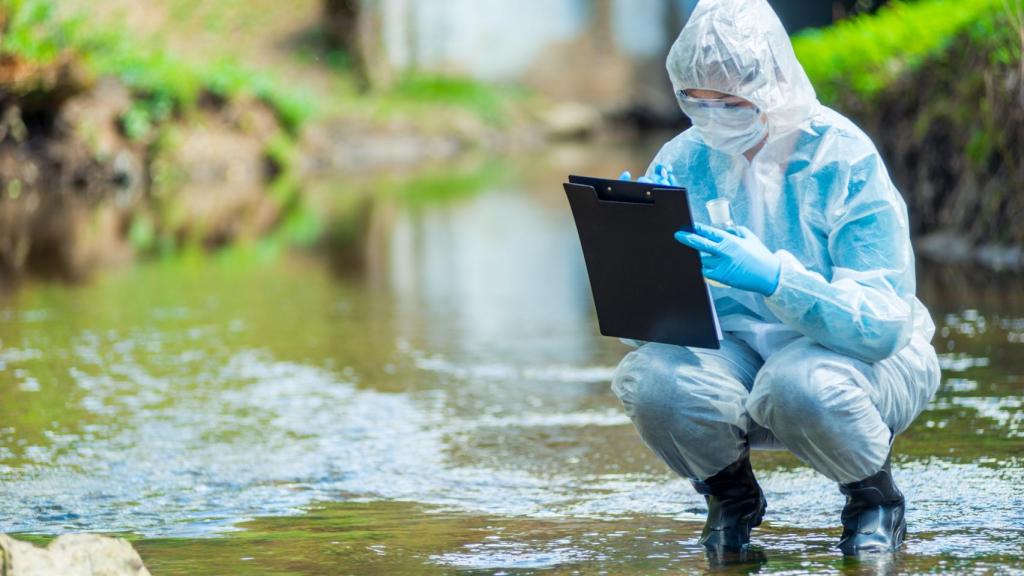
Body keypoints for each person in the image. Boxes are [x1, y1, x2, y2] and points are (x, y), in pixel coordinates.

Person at [612, 0, 941, 556]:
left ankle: (874, 498)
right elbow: (644, 335)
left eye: (730, 101)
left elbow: (883, 324)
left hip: (852, 362)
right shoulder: (686, 155)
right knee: (653, 380)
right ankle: (730, 496)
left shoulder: (842, 156)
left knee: (798, 385)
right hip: (738, 356)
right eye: (696, 100)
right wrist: (637, 251)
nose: (712, 115)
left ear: (771, 83)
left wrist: (775, 279)